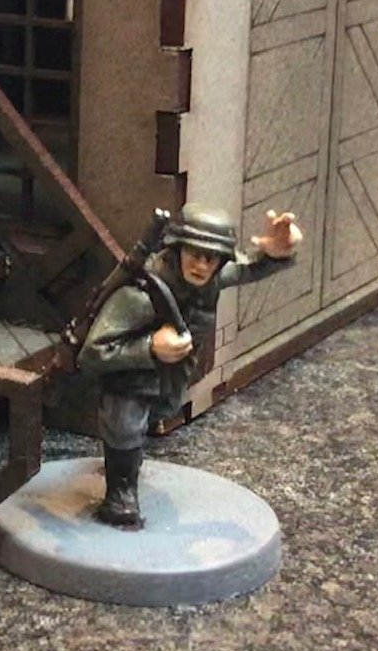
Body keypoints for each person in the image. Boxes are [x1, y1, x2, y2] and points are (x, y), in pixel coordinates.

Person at [78, 204, 302, 528]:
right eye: (195, 254)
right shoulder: (141, 293)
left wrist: (275, 254)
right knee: (124, 426)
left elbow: (248, 268)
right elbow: (92, 352)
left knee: (143, 424)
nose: (201, 265)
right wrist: (150, 347)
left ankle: (126, 464)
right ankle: (120, 495)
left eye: (211, 258)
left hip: (170, 378)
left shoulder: (212, 277)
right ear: (177, 249)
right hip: (127, 378)